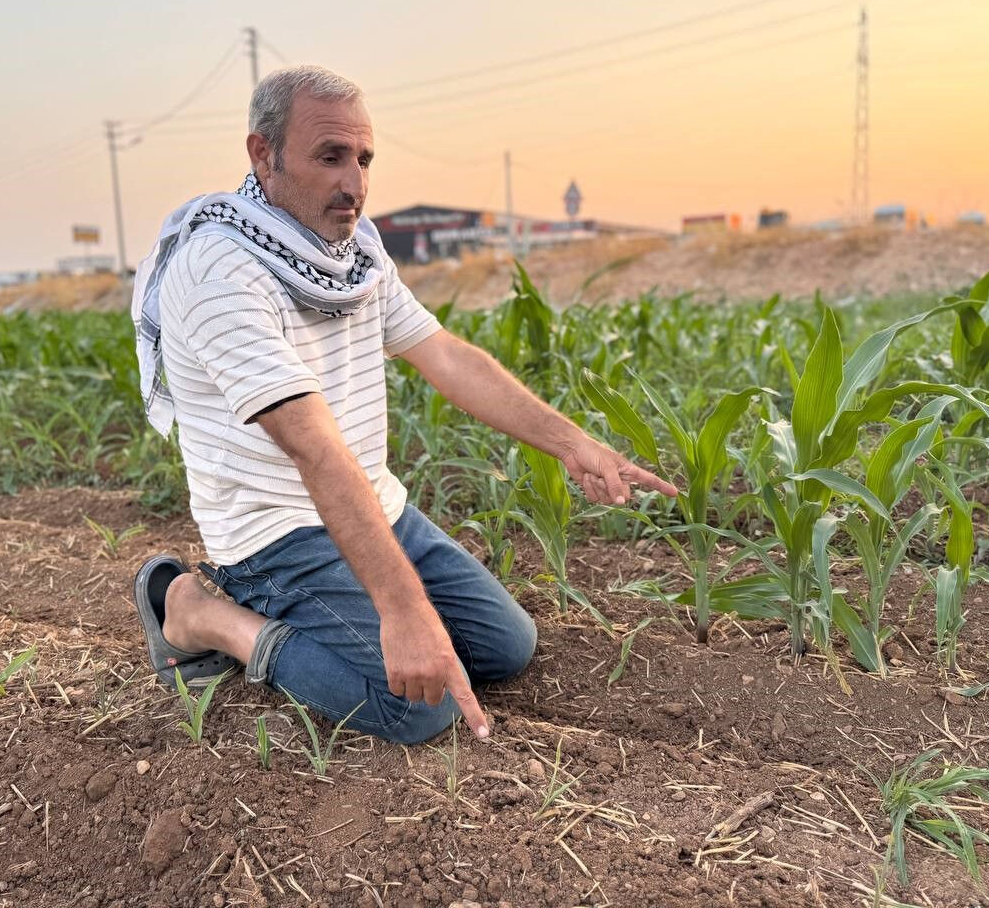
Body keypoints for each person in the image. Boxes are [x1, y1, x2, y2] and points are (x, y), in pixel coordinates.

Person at [129, 65, 675, 745]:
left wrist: (573, 444)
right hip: (274, 535)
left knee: (505, 648)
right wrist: (403, 610)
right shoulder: (220, 271)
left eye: (364, 159)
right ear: (264, 155)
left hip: (370, 505)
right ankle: (204, 617)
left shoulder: (352, 254)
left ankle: (332, 611)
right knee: (416, 709)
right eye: (330, 156)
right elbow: (313, 446)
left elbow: (444, 356)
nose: (354, 183)